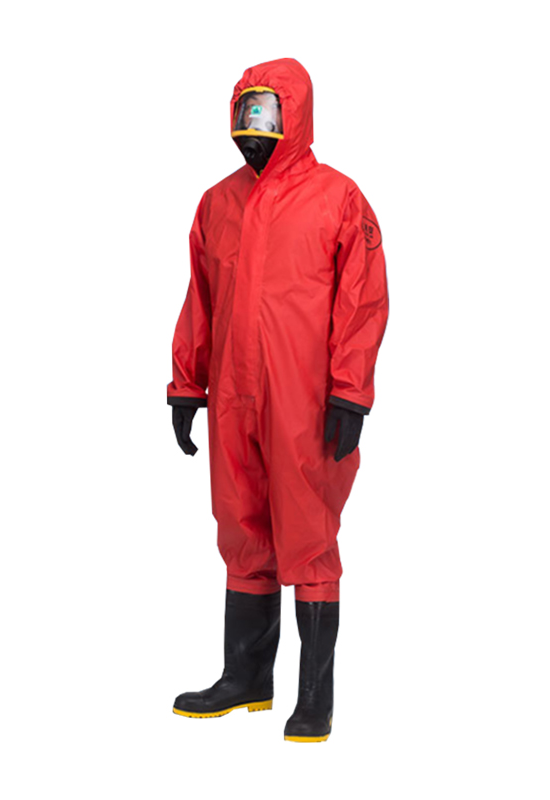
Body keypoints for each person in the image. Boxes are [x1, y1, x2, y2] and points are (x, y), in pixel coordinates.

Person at [167, 57, 389, 742]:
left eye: (266, 113)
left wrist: (349, 393)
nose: (253, 128)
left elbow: (363, 300)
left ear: (295, 115)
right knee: (241, 527)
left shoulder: (338, 198)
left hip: (305, 401)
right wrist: (186, 384)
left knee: (308, 533)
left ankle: (314, 697)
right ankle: (246, 678)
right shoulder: (217, 203)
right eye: (245, 113)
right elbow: (200, 300)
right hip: (233, 397)